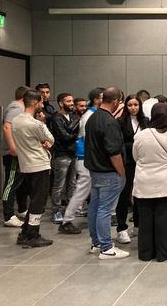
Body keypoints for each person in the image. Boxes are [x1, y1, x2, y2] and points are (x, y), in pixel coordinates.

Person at [132, 103, 167, 261]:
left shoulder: (140, 135)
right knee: (164, 218)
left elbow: (136, 156)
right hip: (166, 183)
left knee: (145, 219)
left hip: (144, 182)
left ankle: (145, 253)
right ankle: (164, 252)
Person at [85, 87, 129, 259]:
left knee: (95, 207)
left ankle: (96, 242)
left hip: (95, 170)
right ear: (116, 101)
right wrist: (122, 173)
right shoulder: (109, 122)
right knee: (105, 210)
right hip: (109, 172)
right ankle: (106, 247)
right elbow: (114, 152)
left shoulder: (93, 117)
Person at [12, 89, 55, 247]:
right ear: (35, 103)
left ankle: (25, 231)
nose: (43, 105)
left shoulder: (16, 120)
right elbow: (50, 139)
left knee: (34, 199)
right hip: (39, 164)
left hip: (25, 164)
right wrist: (43, 123)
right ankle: (32, 234)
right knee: (39, 201)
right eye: (42, 102)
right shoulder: (35, 123)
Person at [59, 88, 103, 234]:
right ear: (97, 99)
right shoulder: (90, 115)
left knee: (88, 189)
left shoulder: (92, 114)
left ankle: (73, 217)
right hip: (85, 157)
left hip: (88, 157)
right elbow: (87, 138)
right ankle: (66, 220)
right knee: (82, 190)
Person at [115, 94, 148, 243]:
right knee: (124, 194)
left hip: (143, 163)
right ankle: (121, 228)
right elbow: (119, 144)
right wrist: (136, 142)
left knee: (140, 195)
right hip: (127, 162)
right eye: (130, 105)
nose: (133, 108)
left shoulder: (145, 121)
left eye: (136, 105)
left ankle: (138, 225)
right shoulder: (120, 122)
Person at [1, 86, 30, 227]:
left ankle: (22, 209)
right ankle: (8, 215)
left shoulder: (20, 109)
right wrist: (12, 148)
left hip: (20, 152)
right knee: (11, 183)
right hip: (13, 153)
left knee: (21, 182)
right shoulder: (16, 108)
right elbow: (7, 127)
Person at [50, 92, 79, 224]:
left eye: (72, 100)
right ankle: (56, 211)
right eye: (68, 101)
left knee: (72, 183)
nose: (72, 103)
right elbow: (64, 136)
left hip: (73, 153)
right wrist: (75, 133)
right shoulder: (57, 118)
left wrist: (72, 132)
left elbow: (72, 133)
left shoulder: (73, 116)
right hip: (62, 155)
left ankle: (71, 208)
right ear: (61, 103)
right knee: (59, 184)